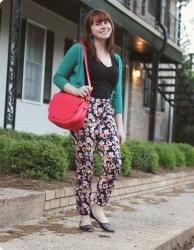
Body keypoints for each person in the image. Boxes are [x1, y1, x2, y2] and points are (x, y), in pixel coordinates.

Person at [53, 9, 125, 233]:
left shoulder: (117, 59)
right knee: (85, 167)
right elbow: (58, 77)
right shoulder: (79, 50)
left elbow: (119, 94)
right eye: (98, 24)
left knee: (114, 162)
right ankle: (84, 215)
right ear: (90, 29)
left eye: (106, 23)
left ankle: (98, 207)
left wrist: (120, 126)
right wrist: (76, 90)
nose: (104, 26)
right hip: (85, 112)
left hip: (106, 114)